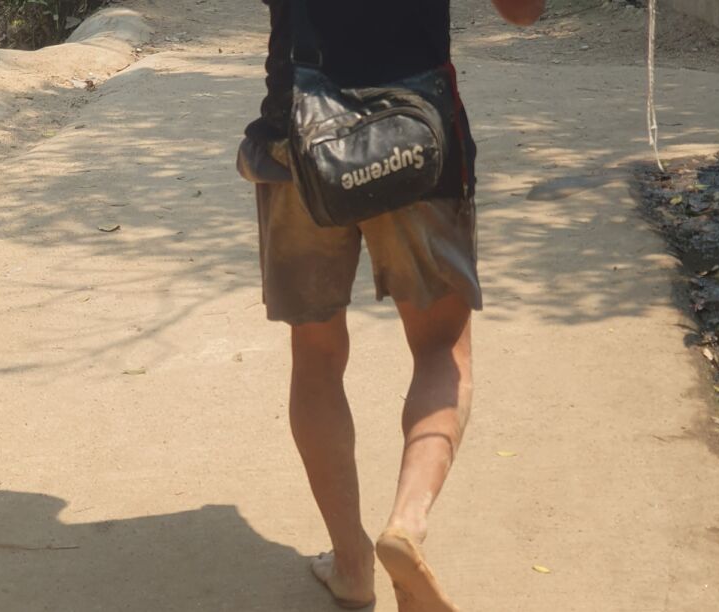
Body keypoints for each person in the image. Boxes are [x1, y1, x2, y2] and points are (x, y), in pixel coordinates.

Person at [238, 1, 544, 609]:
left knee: (317, 356)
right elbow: (522, 11)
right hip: (416, 136)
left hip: (299, 138)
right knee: (440, 348)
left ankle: (352, 567)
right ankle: (406, 524)